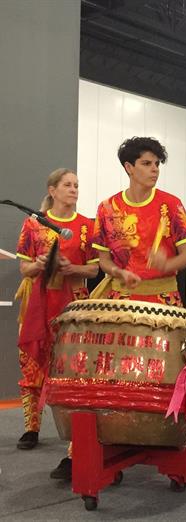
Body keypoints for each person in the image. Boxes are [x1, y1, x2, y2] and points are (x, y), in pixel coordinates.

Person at [73, 136, 186, 477]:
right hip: (121, 299)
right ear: (129, 167)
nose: (154, 170)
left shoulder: (171, 205)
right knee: (114, 374)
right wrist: (118, 270)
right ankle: (111, 439)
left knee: (170, 374)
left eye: (157, 164)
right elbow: (102, 259)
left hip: (163, 299)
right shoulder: (107, 208)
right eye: (147, 164)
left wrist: (166, 262)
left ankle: (180, 437)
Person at [15, 169, 98, 451]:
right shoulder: (33, 224)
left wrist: (73, 268)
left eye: (76, 184)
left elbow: (96, 267)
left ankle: (75, 431)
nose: (74, 189)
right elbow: (24, 268)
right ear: (53, 190)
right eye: (67, 185)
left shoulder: (86, 225)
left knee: (73, 365)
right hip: (39, 301)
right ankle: (31, 427)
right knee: (33, 362)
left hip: (73, 301)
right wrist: (38, 265)